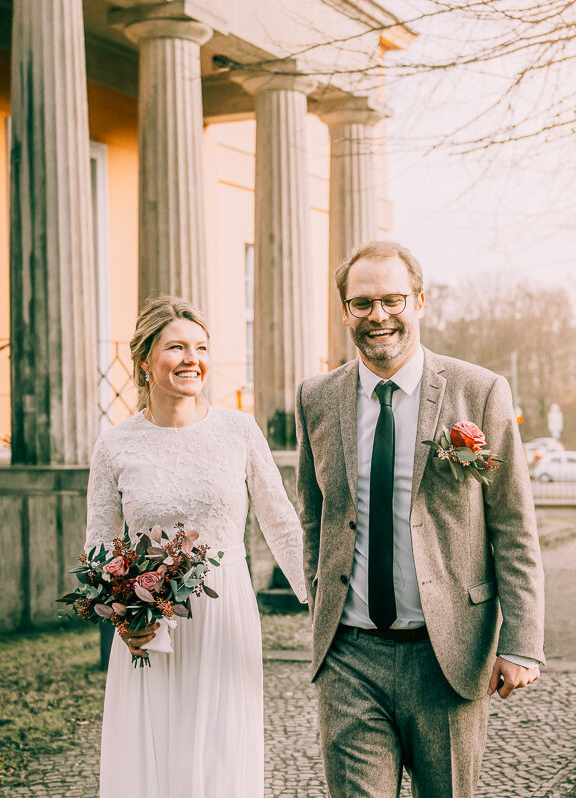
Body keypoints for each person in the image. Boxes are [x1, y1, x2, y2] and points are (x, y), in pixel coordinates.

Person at [296, 241, 546, 797]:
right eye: (362, 303)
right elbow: (315, 515)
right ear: (345, 312)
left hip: (447, 656)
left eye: (392, 300)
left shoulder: (479, 392)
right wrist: (321, 604)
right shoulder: (315, 398)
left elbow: (513, 527)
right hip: (349, 659)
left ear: (421, 302)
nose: (378, 316)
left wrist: (522, 640)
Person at [85, 296, 306, 798]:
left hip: (225, 614)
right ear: (144, 360)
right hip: (149, 621)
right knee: (153, 747)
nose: (192, 359)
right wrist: (121, 617)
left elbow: (282, 525)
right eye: (176, 347)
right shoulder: (115, 444)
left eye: (201, 347)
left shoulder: (239, 431)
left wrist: (323, 604)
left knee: (221, 748)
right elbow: (99, 545)